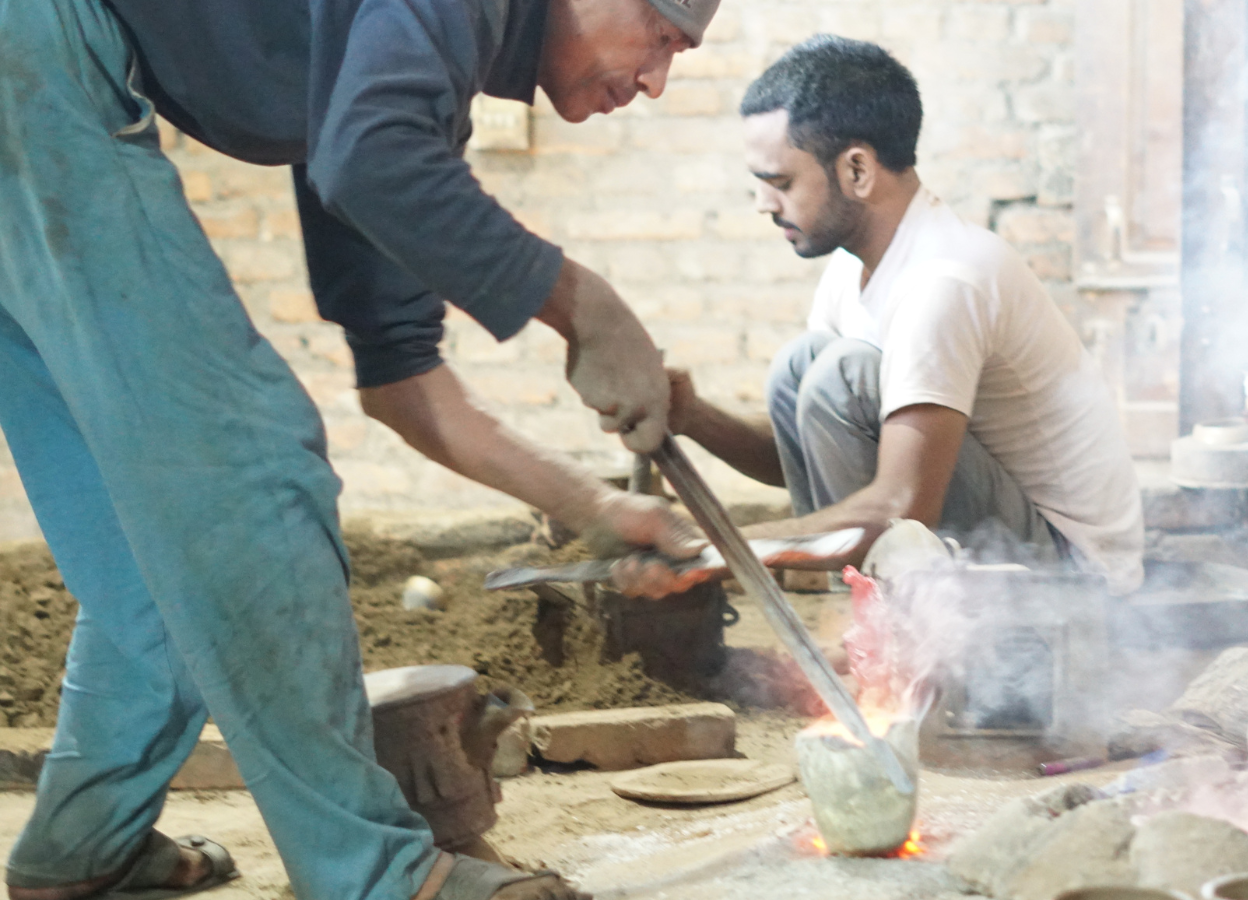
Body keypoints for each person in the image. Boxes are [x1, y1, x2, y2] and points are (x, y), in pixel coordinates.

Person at [0, 0, 720, 898]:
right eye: (664, 34)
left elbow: (405, 387)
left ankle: (80, 848)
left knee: (159, 560)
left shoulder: (390, 75)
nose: (658, 79)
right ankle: (376, 877)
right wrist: (581, 303)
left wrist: (604, 511)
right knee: (252, 470)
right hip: (32, 48)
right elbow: (371, 161)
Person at [665, 35, 1145, 593]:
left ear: (858, 171)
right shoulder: (850, 273)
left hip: (1073, 580)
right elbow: (812, 459)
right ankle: (874, 620)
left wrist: (716, 548)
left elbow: (903, 506)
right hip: (983, 544)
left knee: (840, 376)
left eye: (781, 183)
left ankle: (895, 632)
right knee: (801, 369)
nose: (764, 205)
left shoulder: (945, 280)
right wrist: (693, 416)